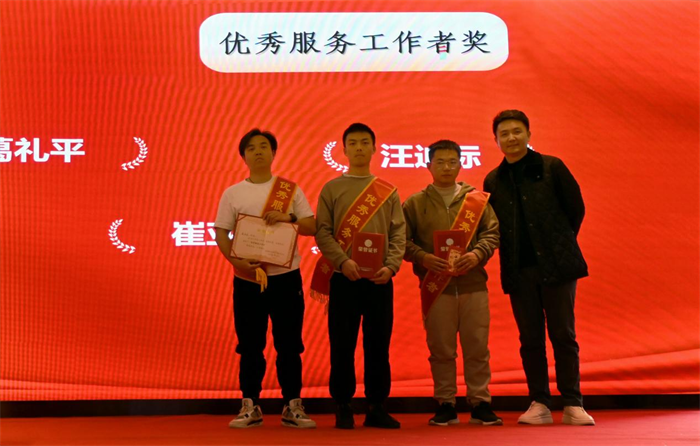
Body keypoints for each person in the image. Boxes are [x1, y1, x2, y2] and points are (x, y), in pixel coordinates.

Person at [483, 110, 595, 426]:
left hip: (557, 265)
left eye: (517, 131)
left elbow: (575, 209)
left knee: (563, 334)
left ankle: (573, 403)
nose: (511, 138)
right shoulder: (493, 180)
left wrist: (558, 244)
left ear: (529, 135)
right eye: (504, 134)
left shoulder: (552, 167)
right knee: (530, 339)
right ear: (496, 140)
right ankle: (540, 402)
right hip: (519, 271)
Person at [214, 129, 317, 429]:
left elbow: (311, 226)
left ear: (273, 153)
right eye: (251, 148)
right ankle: (250, 405)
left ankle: (292, 405)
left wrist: (289, 218)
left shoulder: (289, 190)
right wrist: (236, 261)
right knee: (250, 345)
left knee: (289, 344)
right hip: (247, 279)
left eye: (263, 146)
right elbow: (221, 232)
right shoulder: (233, 193)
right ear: (243, 156)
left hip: (286, 277)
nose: (258, 151)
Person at [313, 123, 406, 429]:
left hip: (380, 279)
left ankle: (376, 406)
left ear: (374, 148)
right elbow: (322, 232)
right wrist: (342, 262)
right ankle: (343, 405)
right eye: (353, 143)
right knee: (342, 345)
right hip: (344, 278)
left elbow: (398, 232)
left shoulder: (387, 190)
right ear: (344, 150)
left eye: (365, 142)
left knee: (378, 346)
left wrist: (391, 266)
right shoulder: (332, 188)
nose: (359, 148)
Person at [403, 140, 502, 426]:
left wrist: (477, 254)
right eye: (440, 162)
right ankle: (445, 403)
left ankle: (480, 403)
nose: (446, 167)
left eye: (452, 162)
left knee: (477, 347)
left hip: (473, 284)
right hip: (436, 288)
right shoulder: (415, 203)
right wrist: (423, 257)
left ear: (461, 164)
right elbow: (402, 241)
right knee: (441, 350)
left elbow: (492, 234)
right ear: (428, 166)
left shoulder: (477, 200)